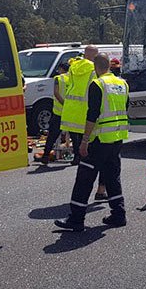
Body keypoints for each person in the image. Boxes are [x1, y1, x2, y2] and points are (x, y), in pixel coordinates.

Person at [54, 53, 130, 231]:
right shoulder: (122, 83)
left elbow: (92, 115)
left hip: (99, 139)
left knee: (84, 178)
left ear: (96, 67)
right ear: (109, 66)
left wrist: (84, 141)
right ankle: (119, 215)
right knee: (112, 176)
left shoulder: (97, 84)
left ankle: (76, 219)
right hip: (117, 138)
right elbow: (125, 108)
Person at [60, 46, 108, 200]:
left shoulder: (73, 67)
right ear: (95, 59)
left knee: (85, 158)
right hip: (91, 119)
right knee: (103, 158)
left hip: (74, 117)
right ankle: (101, 190)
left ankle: (82, 195)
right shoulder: (94, 70)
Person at [39, 62, 70, 164]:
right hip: (71, 111)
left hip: (59, 111)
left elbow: (56, 93)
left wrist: (63, 104)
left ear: (61, 69)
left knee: (52, 135)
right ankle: (77, 157)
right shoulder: (73, 78)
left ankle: (46, 155)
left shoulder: (58, 78)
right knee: (74, 135)